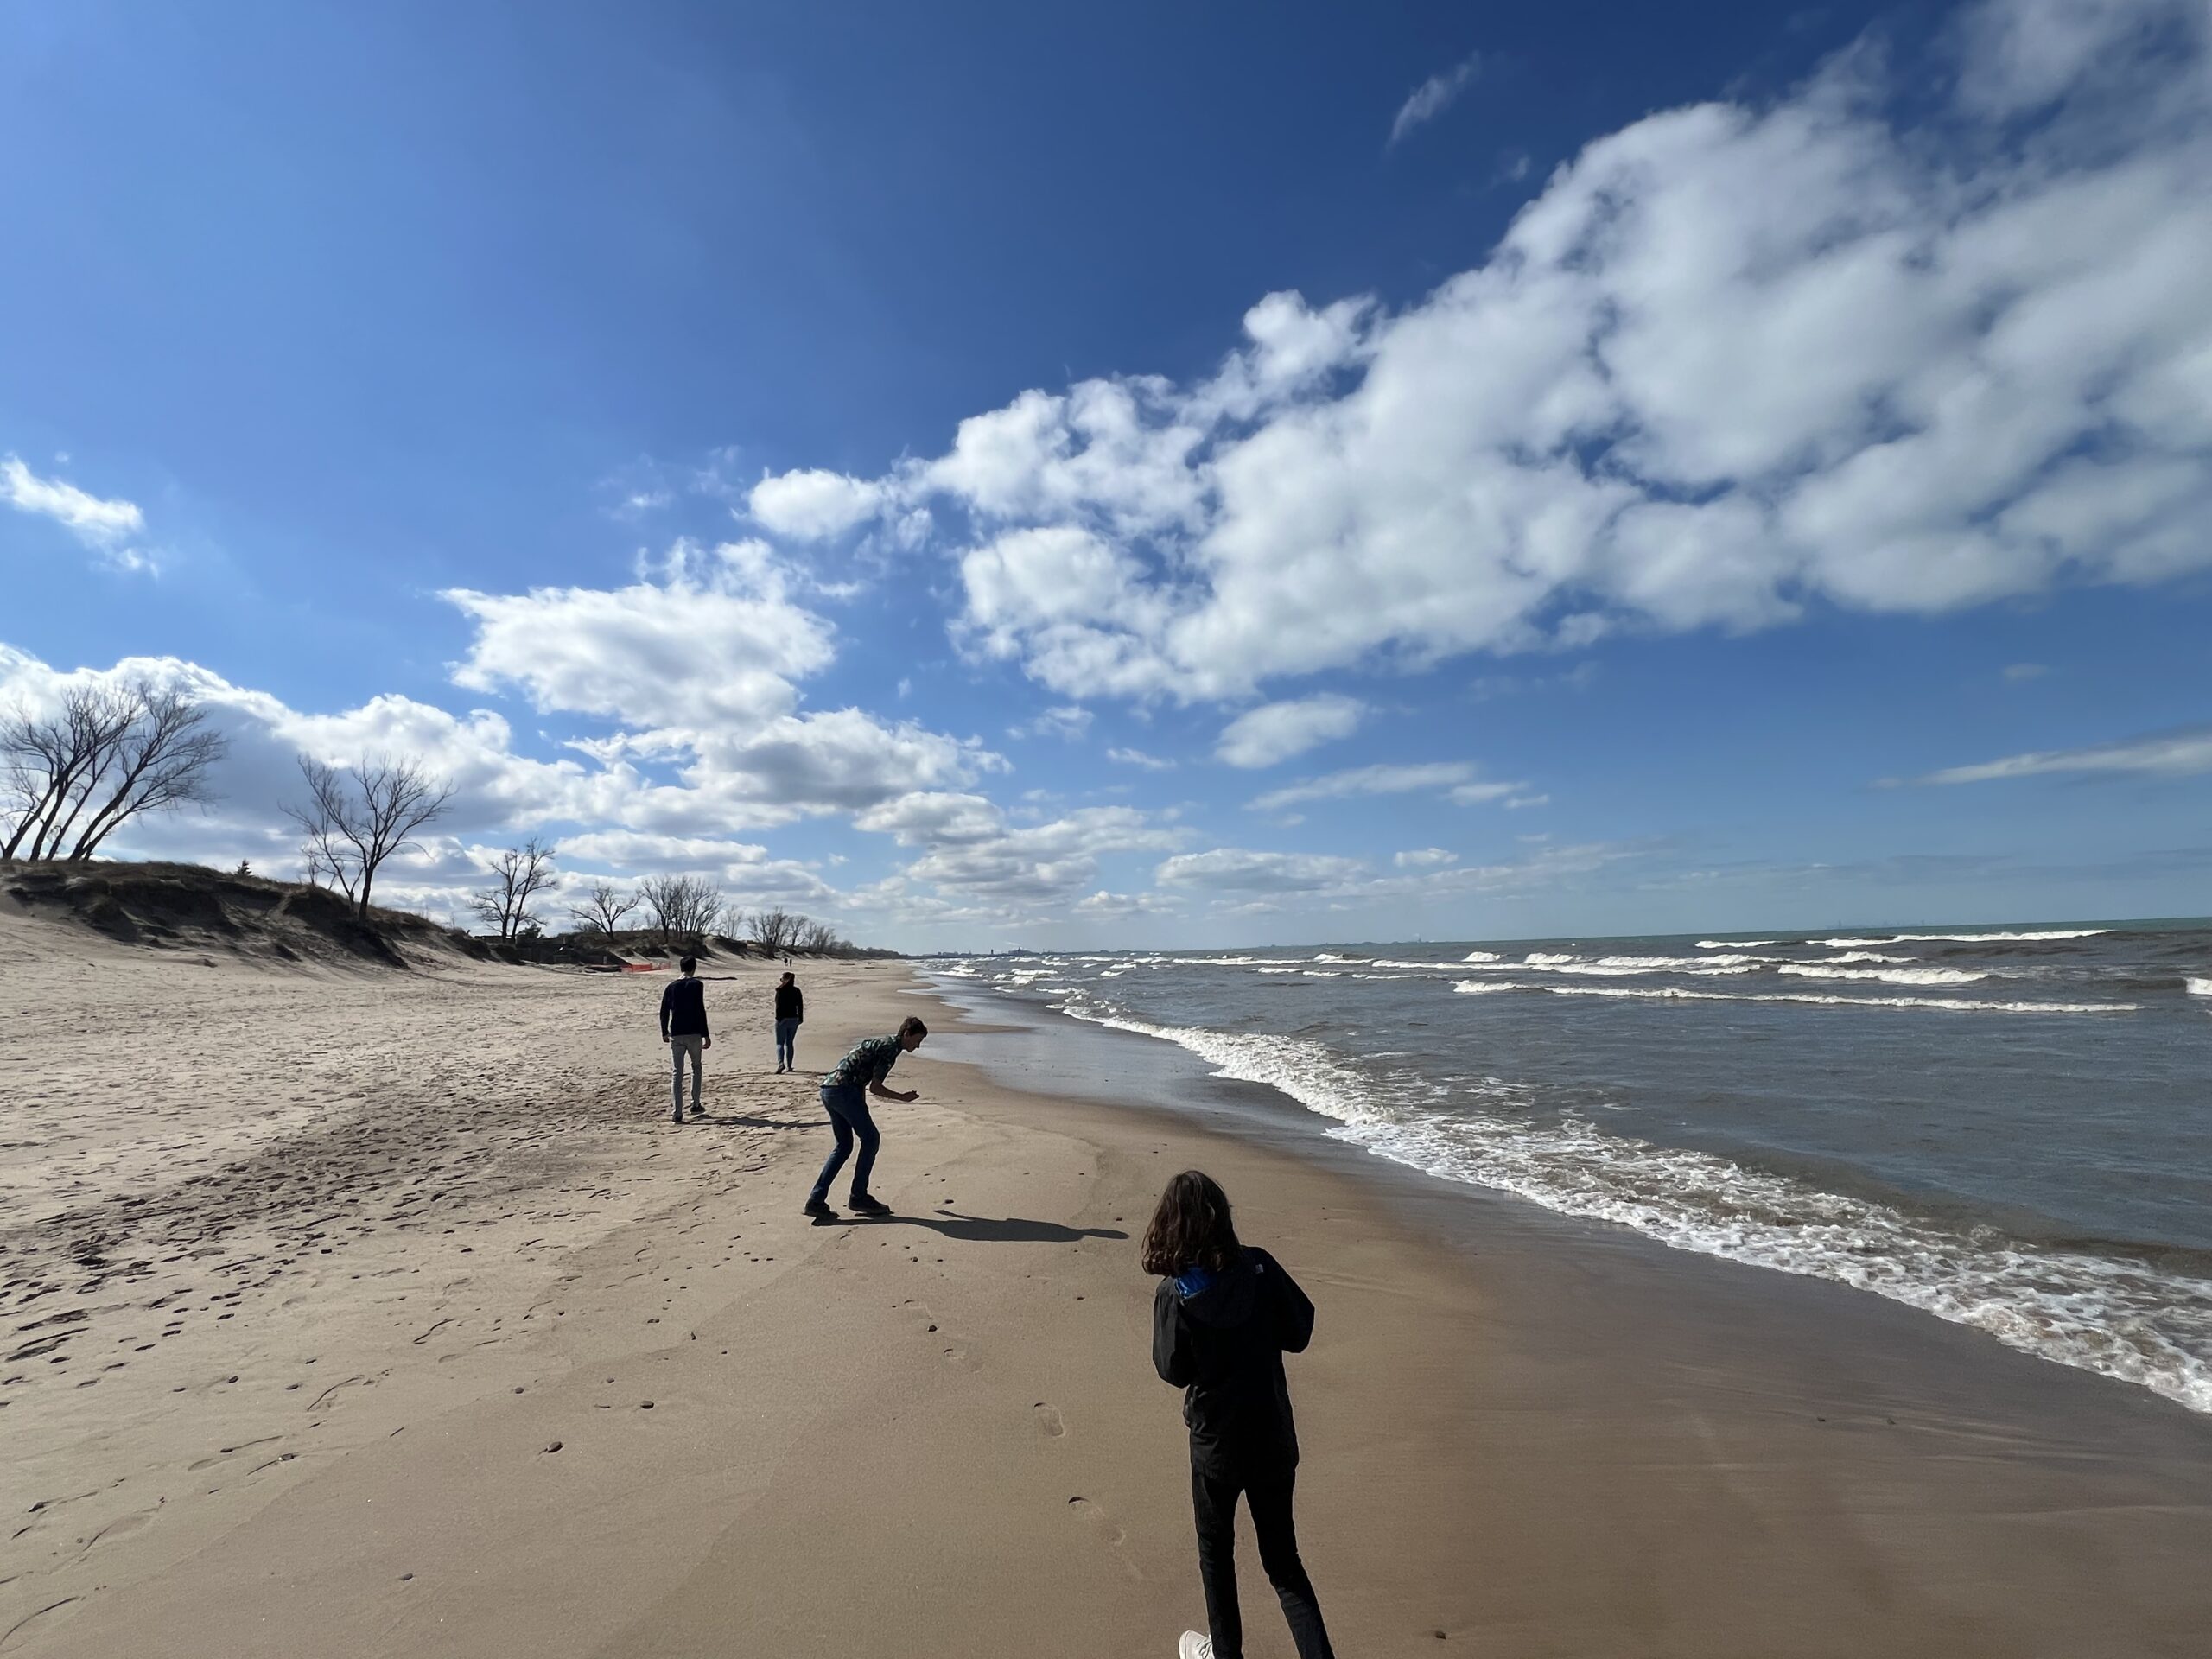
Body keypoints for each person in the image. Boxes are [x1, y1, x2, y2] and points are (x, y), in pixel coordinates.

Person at [1144, 1170, 1334, 1659]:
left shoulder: (1176, 1294)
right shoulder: (1259, 1267)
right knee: (1284, 1565)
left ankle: (1225, 1653)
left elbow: (1172, 1371)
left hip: (1217, 1448)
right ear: (1222, 1220)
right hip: (1272, 1438)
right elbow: (1300, 1331)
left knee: (1216, 1556)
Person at [803, 1014, 927, 1218]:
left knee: (844, 1146)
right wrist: (902, 1097)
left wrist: (861, 1103)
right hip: (844, 1091)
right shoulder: (890, 1049)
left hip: (829, 1089)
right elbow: (875, 1088)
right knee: (871, 1139)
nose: (918, 1045)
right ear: (907, 1034)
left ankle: (816, 1200)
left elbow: (857, 1070)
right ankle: (858, 1196)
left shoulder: (880, 1042)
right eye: (918, 1040)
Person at [658, 955, 711, 1123]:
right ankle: (695, 1103)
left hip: (676, 1033)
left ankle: (677, 1112)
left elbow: (664, 1011)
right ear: (694, 968)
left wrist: (664, 1031)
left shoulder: (671, 987)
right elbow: (700, 1010)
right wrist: (706, 1034)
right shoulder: (697, 985)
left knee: (677, 1073)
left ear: (681, 968)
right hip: (694, 1032)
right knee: (696, 1067)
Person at [773, 971, 804, 1073]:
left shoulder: (780, 991)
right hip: (794, 1019)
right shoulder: (796, 991)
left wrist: (779, 1019)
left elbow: (778, 1007)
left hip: (782, 1019)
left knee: (779, 1043)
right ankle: (789, 1066)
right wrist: (800, 1018)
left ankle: (781, 1064)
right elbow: (800, 1006)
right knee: (789, 1043)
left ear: (785, 979)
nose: (781, 980)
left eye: (782, 978)